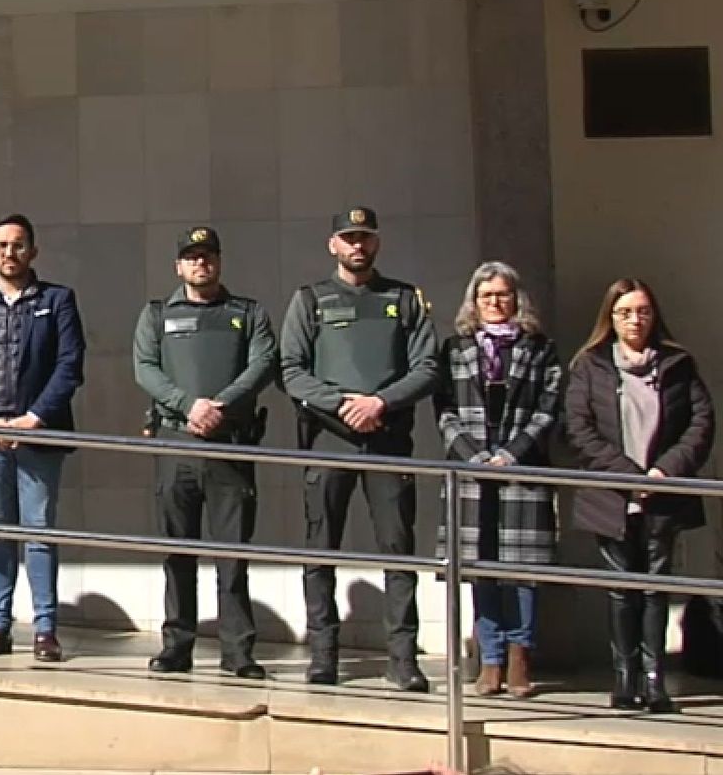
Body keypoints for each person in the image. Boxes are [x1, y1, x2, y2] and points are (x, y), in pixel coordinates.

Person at [280, 206, 439, 692]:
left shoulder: (404, 299)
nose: (357, 246)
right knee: (320, 551)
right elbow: (291, 370)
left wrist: (380, 403)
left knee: (398, 551)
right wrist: (344, 405)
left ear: (377, 242)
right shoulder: (310, 300)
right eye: (348, 238)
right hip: (329, 440)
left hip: (387, 440)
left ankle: (403, 659)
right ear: (333, 244)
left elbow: (427, 366)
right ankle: (323, 656)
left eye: (365, 237)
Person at [563, 278, 714, 713]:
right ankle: (624, 678)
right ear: (610, 318)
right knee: (621, 588)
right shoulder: (590, 365)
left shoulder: (678, 364)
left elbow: (701, 422)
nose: (635, 320)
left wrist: (664, 471)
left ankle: (654, 680)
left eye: (642, 311)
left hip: (663, 493)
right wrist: (630, 476)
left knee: (655, 586)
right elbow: (578, 428)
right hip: (613, 494)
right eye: (625, 312)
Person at [133, 226, 276, 679]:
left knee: (232, 555)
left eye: (208, 255)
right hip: (177, 442)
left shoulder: (247, 313)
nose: (201, 263)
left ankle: (238, 652)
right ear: (179, 266)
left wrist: (220, 406)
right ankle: (177, 646)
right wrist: (187, 405)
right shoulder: (157, 314)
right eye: (192, 257)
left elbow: (263, 364)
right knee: (178, 552)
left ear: (219, 261)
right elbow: (145, 368)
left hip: (229, 444)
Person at [0, 214, 85, 663]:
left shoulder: (57, 300)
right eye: (2, 245)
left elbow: (70, 364)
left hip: (38, 436)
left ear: (33, 251)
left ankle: (45, 630)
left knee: (39, 531)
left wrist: (34, 417)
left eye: (18, 245)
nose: (10, 253)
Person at [433, 262, 562, 699]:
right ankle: (490, 660)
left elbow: (548, 408)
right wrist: (474, 457)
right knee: (479, 568)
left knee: (522, 572)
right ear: (474, 301)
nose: (494, 302)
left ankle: (520, 657)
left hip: (522, 470)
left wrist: (511, 454)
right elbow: (444, 410)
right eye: (486, 295)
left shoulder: (540, 348)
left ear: (516, 299)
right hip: (471, 474)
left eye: (502, 294)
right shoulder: (454, 348)